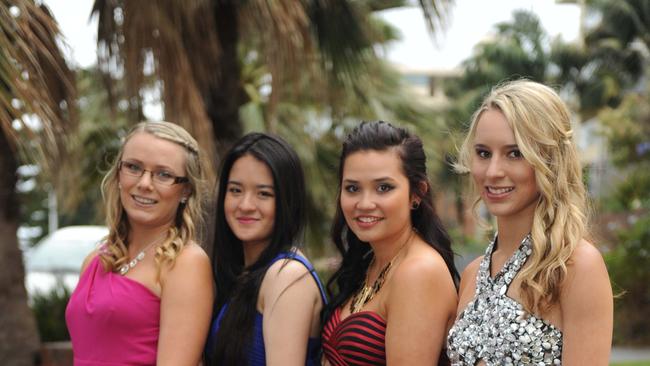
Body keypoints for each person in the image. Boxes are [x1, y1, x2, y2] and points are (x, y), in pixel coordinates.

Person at [447, 80, 613, 365]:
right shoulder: (473, 275)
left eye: (515, 153)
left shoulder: (575, 267)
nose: (493, 171)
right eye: (483, 153)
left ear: (549, 160)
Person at [65, 121, 213, 365]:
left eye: (163, 174)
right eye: (133, 167)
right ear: (119, 175)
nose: (144, 183)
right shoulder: (95, 260)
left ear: (185, 190)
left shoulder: (186, 263)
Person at [322, 120, 460, 365]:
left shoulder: (418, 271)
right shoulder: (370, 260)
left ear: (416, 193)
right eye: (352, 188)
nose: (364, 203)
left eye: (383, 188)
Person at [205, 132, 326, 366]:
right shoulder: (245, 273)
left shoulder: (287, 275)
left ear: (287, 201)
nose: (246, 205)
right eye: (235, 190)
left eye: (264, 194)